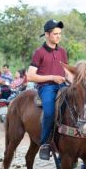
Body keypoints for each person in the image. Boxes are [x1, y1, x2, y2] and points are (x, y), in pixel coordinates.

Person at [26, 19, 67, 160]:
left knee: (80, 103)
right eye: (55, 33)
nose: (58, 36)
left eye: (59, 34)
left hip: (63, 85)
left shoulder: (62, 51)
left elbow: (66, 72)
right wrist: (52, 77)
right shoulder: (39, 52)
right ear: (47, 34)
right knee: (49, 112)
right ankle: (44, 144)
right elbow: (30, 76)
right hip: (47, 87)